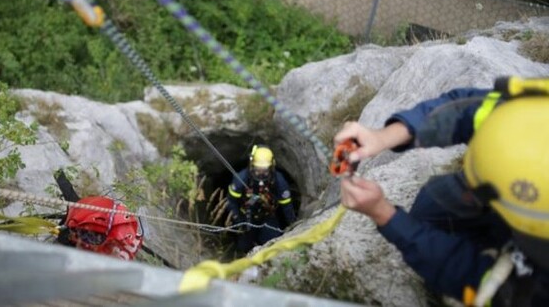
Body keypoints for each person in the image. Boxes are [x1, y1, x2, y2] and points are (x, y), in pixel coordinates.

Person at [334, 76, 549, 306]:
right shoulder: (531, 112)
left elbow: (462, 271)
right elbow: (467, 109)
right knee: (431, 208)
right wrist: (383, 137)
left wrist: (385, 215)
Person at [227, 145, 297, 253]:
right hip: (246, 217)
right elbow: (231, 201)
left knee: (274, 245)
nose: (261, 174)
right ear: (251, 165)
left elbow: (287, 206)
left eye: (265, 171)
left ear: (271, 167)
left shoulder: (279, 181)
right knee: (243, 248)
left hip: (268, 217)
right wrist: (239, 220)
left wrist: (293, 225)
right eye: (257, 170)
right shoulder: (241, 179)